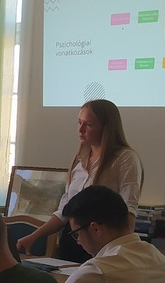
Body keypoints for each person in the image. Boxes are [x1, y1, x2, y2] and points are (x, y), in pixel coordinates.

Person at [16, 99, 144, 263]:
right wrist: (34, 236)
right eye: (79, 123)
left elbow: (129, 208)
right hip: (73, 239)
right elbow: (64, 212)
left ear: (106, 127)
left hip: (102, 244)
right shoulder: (80, 160)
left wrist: (123, 252)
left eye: (88, 125)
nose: (80, 129)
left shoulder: (125, 159)